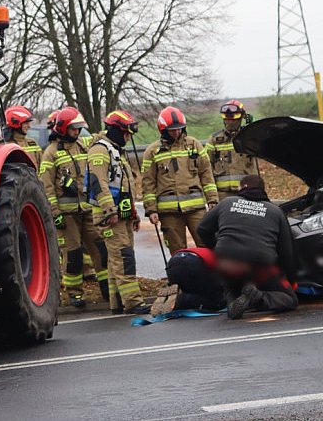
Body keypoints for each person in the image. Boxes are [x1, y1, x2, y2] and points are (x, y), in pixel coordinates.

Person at [197, 174, 298, 319]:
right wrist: (291, 280)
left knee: (231, 285)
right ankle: (258, 297)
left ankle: (233, 301)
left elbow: (202, 228)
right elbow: (286, 251)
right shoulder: (275, 211)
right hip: (259, 265)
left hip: (227, 262)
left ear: (242, 188)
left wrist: (216, 247)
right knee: (290, 300)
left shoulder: (227, 202)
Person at [39, 107, 108, 307]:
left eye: (78, 129)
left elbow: (97, 137)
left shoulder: (83, 145)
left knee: (99, 248)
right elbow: (47, 187)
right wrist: (55, 213)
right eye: (73, 129)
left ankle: (107, 287)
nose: (77, 132)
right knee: (73, 255)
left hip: (87, 210)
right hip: (66, 215)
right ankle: (74, 293)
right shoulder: (51, 153)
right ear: (62, 129)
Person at [87, 110, 150, 315]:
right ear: (116, 131)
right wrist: (109, 211)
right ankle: (133, 302)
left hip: (121, 215)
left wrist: (133, 214)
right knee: (124, 257)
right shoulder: (99, 150)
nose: (128, 138)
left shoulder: (115, 150)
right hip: (110, 216)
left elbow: (125, 187)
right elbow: (99, 184)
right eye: (126, 134)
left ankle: (117, 302)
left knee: (117, 260)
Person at [141, 106, 218, 255]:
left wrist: (212, 199)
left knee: (207, 244)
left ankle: (211, 276)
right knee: (177, 250)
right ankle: (182, 277)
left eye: (179, 129)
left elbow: (206, 173)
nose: (176, 133)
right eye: (172, 130)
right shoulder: (152, 151)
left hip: (196, 209)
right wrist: (151, 209)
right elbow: (148, 183)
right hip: (169, 212)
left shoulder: (194, 144)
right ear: (163, 130)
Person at [206, 100, 258, 200]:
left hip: (247, 193)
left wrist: (252, 128)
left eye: (233, 119)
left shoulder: (249, 137)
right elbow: (206, 168)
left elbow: (261, 149)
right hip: (222, 195)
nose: (229, 122)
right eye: (226, 118)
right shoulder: (214, 140)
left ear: (242, 117)